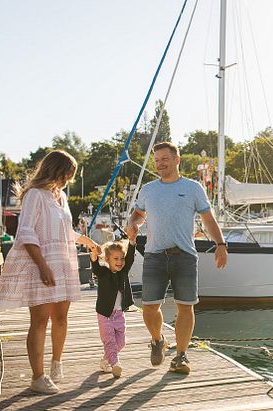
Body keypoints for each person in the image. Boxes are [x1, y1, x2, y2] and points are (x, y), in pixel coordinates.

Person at [0, 150, 98, 394]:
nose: (68, 179)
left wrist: (87, 241)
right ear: (56, 170)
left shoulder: (61, 197)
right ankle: (38, 378)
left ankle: (56, 364)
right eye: (68, 174)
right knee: (40, 321)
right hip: (43, 264)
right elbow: (26, 232)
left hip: (64, 263)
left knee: (61, 318)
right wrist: (42, 266)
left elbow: (64, 231)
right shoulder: (35, 195)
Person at [128, 142, 228, 374]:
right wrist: (133, 224)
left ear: (177, 160)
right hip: (154, 255)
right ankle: (157, 340)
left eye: (164, 159)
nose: (160, 164)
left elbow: (208, 219)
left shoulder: (193, 188)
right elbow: (138, 214)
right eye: (157, 160)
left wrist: (221, 244)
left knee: (186, 306)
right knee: (149, 307)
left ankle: (181, 356)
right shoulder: (149, 190)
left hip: (184, 255)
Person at [90, 226, 136, 378]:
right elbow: (95, 267)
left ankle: (106, 359)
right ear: (107, 259)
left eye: (121, 258)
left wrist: (132, 241)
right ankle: (116, 364)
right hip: (105, 313)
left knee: (121, 342)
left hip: (118, 314)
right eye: (116, 259)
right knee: (109, 341)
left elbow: (130, 258)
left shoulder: (123, 272)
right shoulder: (103, 273)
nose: (120, 262)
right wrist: (94, 255)